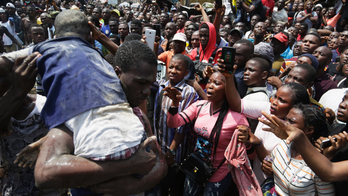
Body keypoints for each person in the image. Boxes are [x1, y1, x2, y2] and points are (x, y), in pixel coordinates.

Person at [33, 10, 166, 195]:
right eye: (141, 82)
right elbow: (44, 174)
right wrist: (126, 166)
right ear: (117, 73)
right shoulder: (79, 116)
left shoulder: (138, 116)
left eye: (150, 84)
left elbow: (160, 163)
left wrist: (136, 186)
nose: (146, 91)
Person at [165, 71, 262, 195]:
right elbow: (173, 123)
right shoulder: (199, 106)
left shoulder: (238, 118)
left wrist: (248, 143)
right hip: (196, 167)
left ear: (229, 89)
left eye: (216, 83)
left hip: (219, 173)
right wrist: (175, 103)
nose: (210, 86)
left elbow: (250, 156)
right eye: (209, 81)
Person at [218, 56, 312, 184]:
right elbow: (237, 105)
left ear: (295, 106)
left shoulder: (297, 130)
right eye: (275, 97)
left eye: (282, 100)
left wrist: (258, 143)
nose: (274, 102)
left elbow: (276, 163)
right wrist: (228, 77)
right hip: (253, 179)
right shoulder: (267, 108)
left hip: (273, 185)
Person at [249, 104, 335, 195]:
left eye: (291, 121)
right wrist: (269, 168)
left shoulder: (317, 165)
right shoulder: (284, 144)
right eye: (286, 119)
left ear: (309, 130)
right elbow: (274, 162)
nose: (284, 124)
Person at [154, 54, 198, 196]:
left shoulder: (187, 91)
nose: (173, 71)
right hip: (159, 145)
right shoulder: (162, 86)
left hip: (176, 151)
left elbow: (182, 126)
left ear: (186, 73)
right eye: (171, 67)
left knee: (174, 186)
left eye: (178, 69)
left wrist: (172, 151)